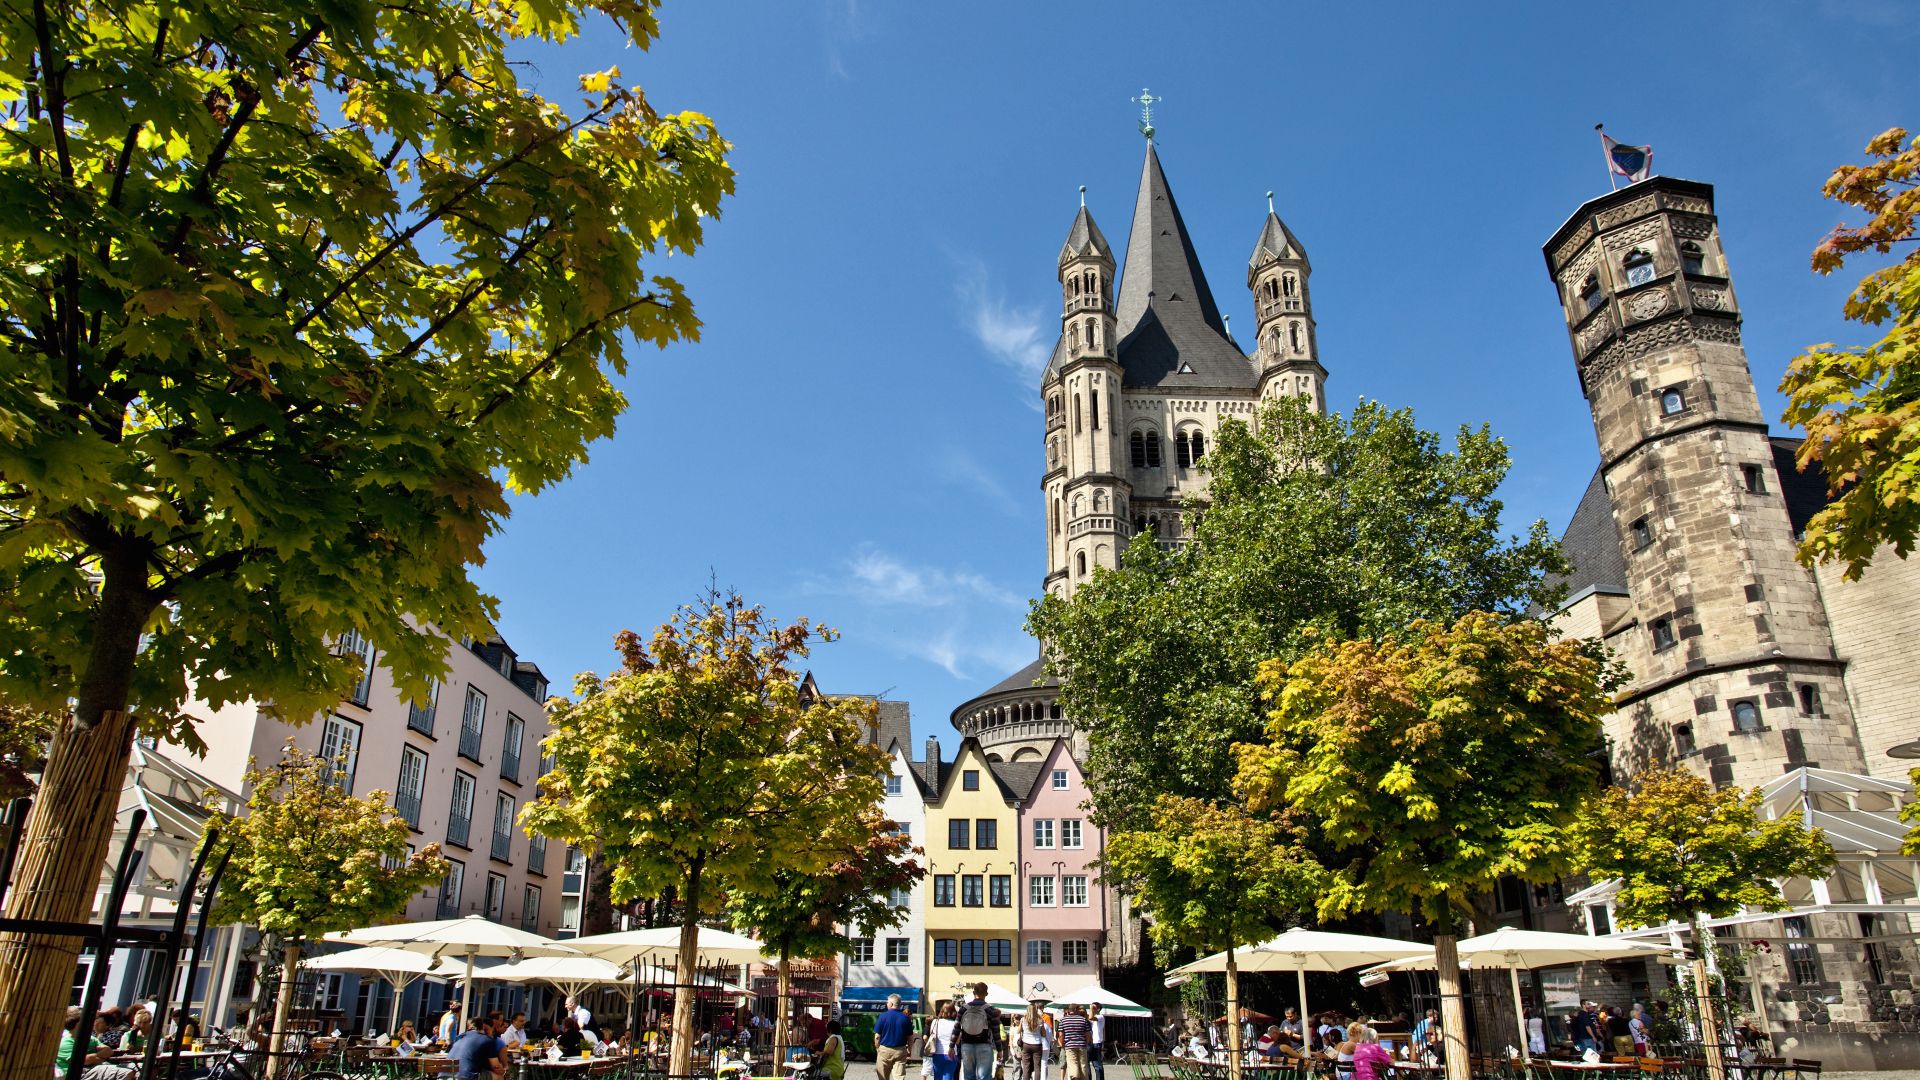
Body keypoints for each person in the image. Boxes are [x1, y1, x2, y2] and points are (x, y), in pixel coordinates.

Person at [57, 1007, 137, 1080]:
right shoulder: (66, 1042)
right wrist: (100, 1056)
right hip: (79, 1073)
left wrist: (95, 1057)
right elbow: (85, 1061)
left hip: (95, 1067)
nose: (93, 1024)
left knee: (137, 1068)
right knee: (125, 1073)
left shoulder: (90, 1038)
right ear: (79, 1024)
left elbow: (108, 1051)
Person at [956, 985, 1001, 1080]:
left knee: (968, 1076)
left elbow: (956, 1028)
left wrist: (951, 1046)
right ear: (986, 994)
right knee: (983, 1077)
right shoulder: (991, 1010)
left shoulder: (964, 1008)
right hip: (984, 1045)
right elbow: (996, 1032)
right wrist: (999, 1050)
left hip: (966, 1046)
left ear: (973, 993)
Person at [875, 994, 915, 1080]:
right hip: (900, 1050)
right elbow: (910, 1038)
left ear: (891, 1004)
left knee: (883, 1076)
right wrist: (909, 1050)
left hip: (884, 1050)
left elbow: (877, 1037)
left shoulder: (882, 1016)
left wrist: (877, 1047)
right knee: (899, 1077)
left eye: (887, 1002)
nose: (886, 1004)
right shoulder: (905, 1018)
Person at [1013, 1003, 1052, 1080]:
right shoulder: (1040, 1020)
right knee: (1037, 1067)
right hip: (1037, 1045)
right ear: (1035, 1010)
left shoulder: (1023, 1019)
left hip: (1026, 1044)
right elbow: (1044, 1034)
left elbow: (1018, 1031)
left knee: (1026, 1066)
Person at [1052, 1005, 1091, 1080]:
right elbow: (1088, 1034)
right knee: (1083, 1064)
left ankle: (1075, 1077)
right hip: (1082, 1045)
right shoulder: (1083, 1020)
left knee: (1073, 1063)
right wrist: (1086, 1042)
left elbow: (1060, 1035)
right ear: (1076, 1010)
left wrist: (1063, 1043)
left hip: (1069, 1045)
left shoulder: (1063, 1020)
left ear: (1069, 1010)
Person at [927, 1001, 960, 1080]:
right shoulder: (956, 1024)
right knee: (948, 1077)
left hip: (938, 1052)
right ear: (953, 1012)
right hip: (951, 1053)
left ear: (942, 1010)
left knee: (937, 1077)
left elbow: (932, 1036)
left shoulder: (935, 1022)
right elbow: (958, 1041)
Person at [1086, 1004, 1104, 1080]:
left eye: (1094, 1008)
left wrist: (1091, 1008)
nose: (1092, 1009)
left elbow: (1090, 1017)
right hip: (1090, 1042)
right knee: (1087, 1065)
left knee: (1097, 1065)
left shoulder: (1101, 1017)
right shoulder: (1092, 1016)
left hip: (1096, 1042)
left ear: (1098, 1009)